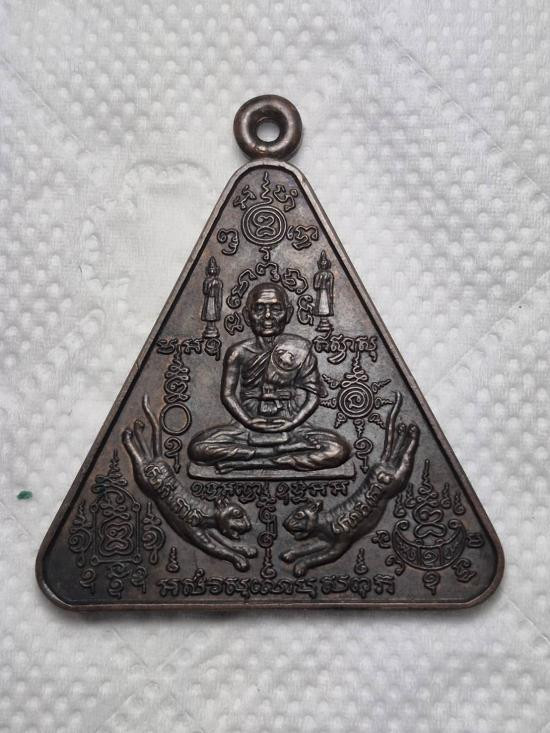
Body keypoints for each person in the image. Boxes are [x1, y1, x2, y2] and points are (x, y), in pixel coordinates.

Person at [188, 282, 350, 473]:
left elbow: (313, 396)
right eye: (259, 309)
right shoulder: (238, 352)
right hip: (246, 427)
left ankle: (253, 461)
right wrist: (248, 421)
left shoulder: (299, 349)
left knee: (339, 450)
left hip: (291, 425)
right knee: (198, 449)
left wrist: (293, 422)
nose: (267, 316)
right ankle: (277, 454)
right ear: (247, 315)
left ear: (288, 314)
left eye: (276, 309)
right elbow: (228, 395)